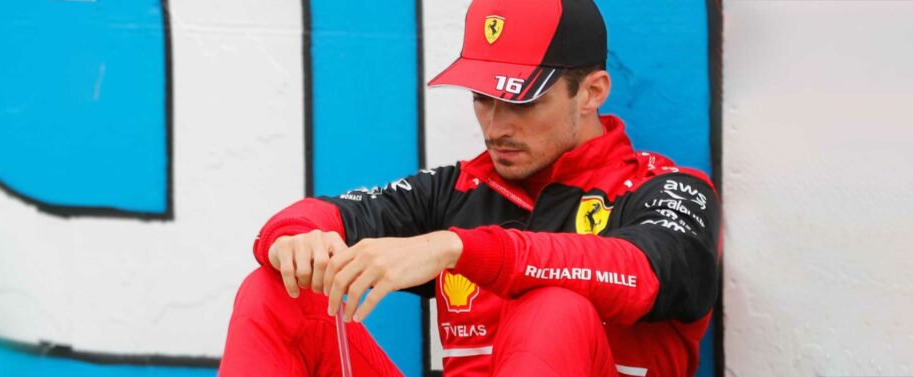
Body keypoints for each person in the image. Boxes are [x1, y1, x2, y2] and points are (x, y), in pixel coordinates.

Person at [219, 0, 721, 375]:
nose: (495, 126)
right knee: (277, 290)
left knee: (554, 306)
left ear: (591, 92)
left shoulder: (667, 189)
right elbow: (326, 215)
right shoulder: (459, 189)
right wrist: (295, 238)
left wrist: (457, 249)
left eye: (521, 102)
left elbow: (655, 272)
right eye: (483, 98)